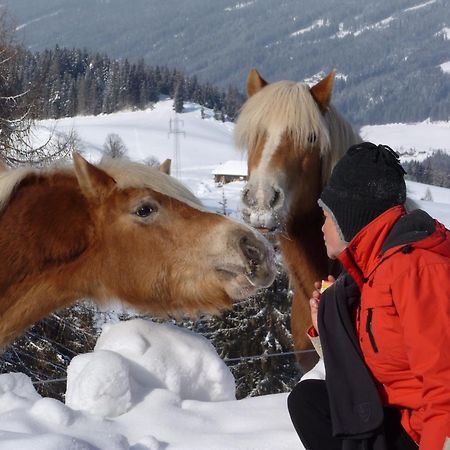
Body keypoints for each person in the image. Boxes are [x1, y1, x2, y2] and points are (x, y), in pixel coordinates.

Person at [287, 142, 450, 450]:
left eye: (326, 215)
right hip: (401, 421)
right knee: (309, 402)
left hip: (424, 434)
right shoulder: (373, 274)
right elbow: (374, 366)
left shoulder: (415, 270)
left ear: (350, 215)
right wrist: (327, 332)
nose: (322, 227)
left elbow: (446, 388)